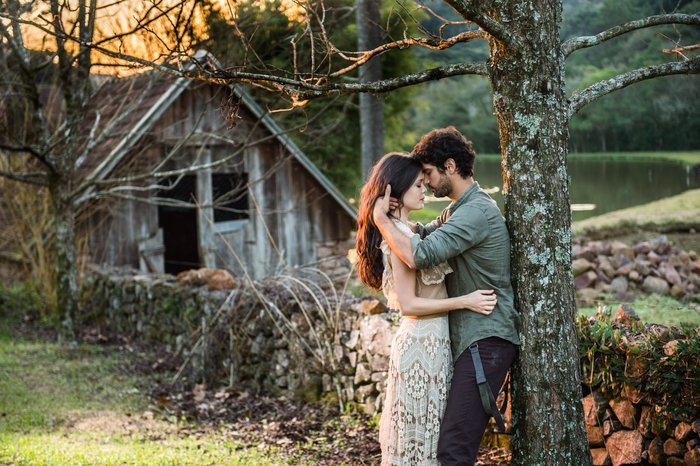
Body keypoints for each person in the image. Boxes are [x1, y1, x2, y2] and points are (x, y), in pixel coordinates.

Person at [372, 128, 521, 466]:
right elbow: (422, 235)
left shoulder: (475, 213)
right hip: (472, 339)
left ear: (449, 166)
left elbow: (421, 254)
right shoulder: (459, 210)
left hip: (486, 339)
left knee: (454, 449)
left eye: (427, 173)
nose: (424, 181)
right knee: (450, 446)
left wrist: (381, 219)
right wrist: (397, 219)